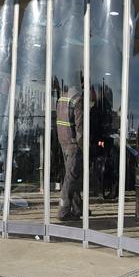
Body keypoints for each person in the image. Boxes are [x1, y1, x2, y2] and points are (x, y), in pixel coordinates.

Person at [56, 80, 83, 220]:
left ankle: (77, 208)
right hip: (73, 143)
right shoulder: (78, 99)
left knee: (72, 174)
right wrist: (84, 146)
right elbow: (80, 127)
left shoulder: (62, 98)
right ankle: (64, 209)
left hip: (63, 141)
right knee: (71, 177)